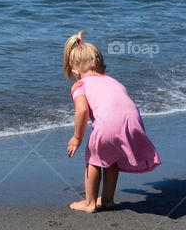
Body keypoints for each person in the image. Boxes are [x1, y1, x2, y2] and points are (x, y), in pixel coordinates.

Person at [63, 31, 160, 212]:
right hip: (133, 122)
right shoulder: (113, 81)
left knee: (94, 159)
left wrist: (77, 138)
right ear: (100, 65)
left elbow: (82, 110)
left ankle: (90, 203)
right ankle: (107, 200)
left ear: (75, 72)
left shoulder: (80, 85)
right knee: (111, 158)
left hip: (109, 124)